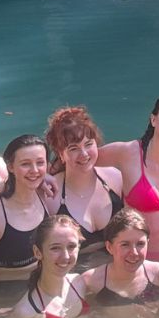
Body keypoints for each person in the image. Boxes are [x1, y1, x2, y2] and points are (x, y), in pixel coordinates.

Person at [96, 92, 159, 260]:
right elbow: (85, 158)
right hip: (133, 261)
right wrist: (48, 175)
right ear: (154, 119)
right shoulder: (129, 153)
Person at [44, 106, 125, 265]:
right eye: (73, 148)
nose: (84, 154)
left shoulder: (114, 178)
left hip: (116, 269)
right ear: (61, 154)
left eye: (88, 144)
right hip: (73, 275)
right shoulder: (51, 195)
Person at [0, 134, 53, 294]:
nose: (34, 170)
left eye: (40, 163)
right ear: (10, 166)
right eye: (25, 164)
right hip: (4, 295)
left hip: (43, 285)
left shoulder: (45, 195)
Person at [3, 214, 90, 318]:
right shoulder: (26, 311)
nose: (65, 256)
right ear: (38, 252)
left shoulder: (79, 283)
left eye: (71, 246)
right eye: (55, 248)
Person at [73, 207, 159, 304]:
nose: (134, 253)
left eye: (140, 244)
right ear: (109, 247)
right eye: (125, 245)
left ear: (148, 243)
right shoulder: (90, 282)